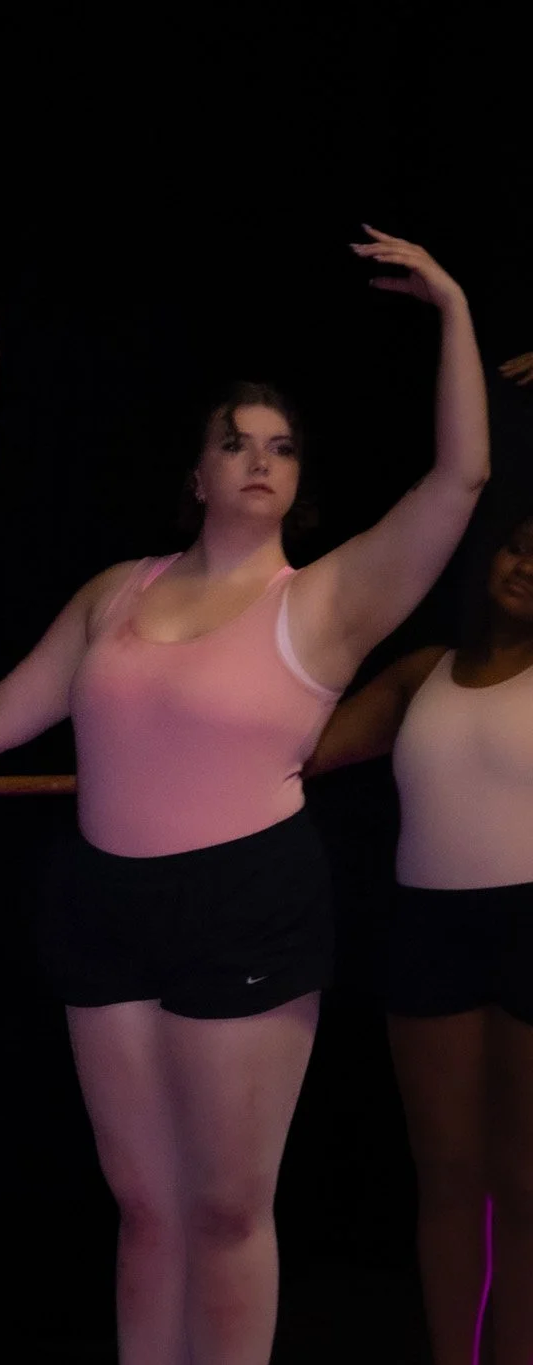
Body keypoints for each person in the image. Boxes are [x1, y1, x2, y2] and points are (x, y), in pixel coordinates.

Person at [0, 229, 488, 1365]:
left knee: (225, 1211)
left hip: (245, 908)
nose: (258, 458)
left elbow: (457, 478)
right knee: (143, 1208)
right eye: (234, 442)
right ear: (197, 474)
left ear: (298, 478)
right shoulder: (111, 594)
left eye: (279, 446)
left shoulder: (324, 601)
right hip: (98, 905)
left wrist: (453, 308)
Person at [306, 499, 533, 1365]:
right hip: (429, 927)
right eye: (515, 546)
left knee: (523, 1181)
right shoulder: (421, 673)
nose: (524, 564)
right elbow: (303, 750)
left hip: (530, 924)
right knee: (446, 1174)